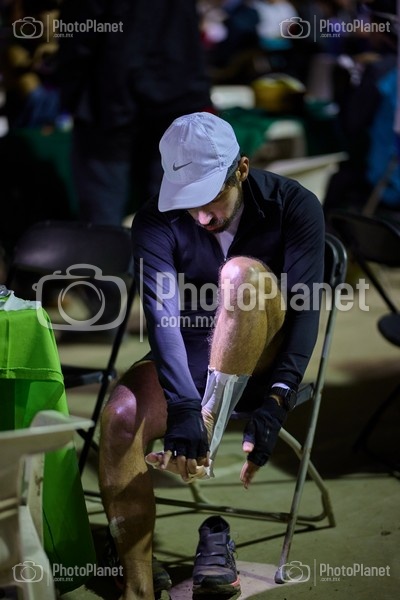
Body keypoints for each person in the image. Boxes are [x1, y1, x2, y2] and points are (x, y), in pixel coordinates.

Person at [99, 112, 325, 599]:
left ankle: (207, 427)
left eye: (210, 199)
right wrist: (180, 402)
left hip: (266, 351)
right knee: (119, 417)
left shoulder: (294, 204)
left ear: (241, 169)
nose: (201, 217)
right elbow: (161, 315)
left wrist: (280, 396)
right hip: (195, 355)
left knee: (239, 275)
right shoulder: (156, 219)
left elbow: (306, 309)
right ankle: (138, 587)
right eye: (188, 203)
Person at [57, 0, 213, 226]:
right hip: (169, 92)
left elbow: (78, 36)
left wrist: (72, 92)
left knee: (107, 214)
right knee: (169, 212)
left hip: (111, 100)